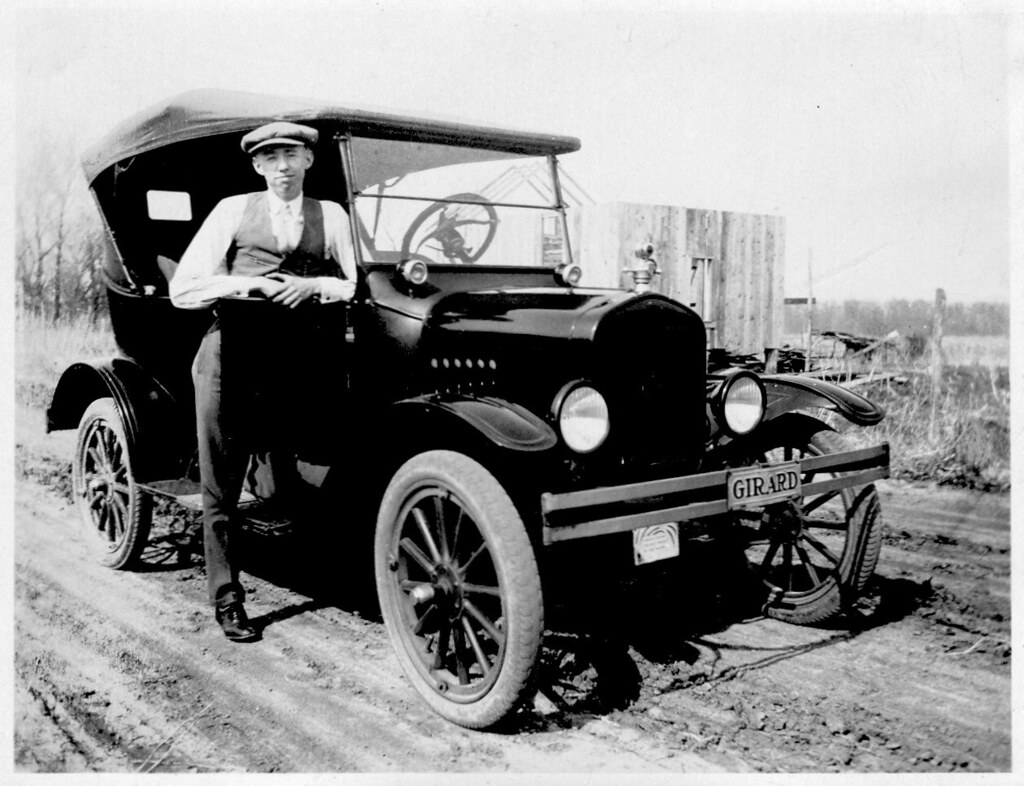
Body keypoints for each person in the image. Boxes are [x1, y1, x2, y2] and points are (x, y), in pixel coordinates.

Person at [170, 121, 357, 642]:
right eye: (270, 157)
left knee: (315, 457)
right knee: (221, 483)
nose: (282, 166)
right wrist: (250, 284)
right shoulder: (234, 210)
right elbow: (184, 288)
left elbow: (354, 283)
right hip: (230, 354)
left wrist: (314, 285)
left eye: (291, 155)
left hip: (297, 357)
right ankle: (227, 597)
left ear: (309, 161)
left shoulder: (332, 215)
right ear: (256, 166)